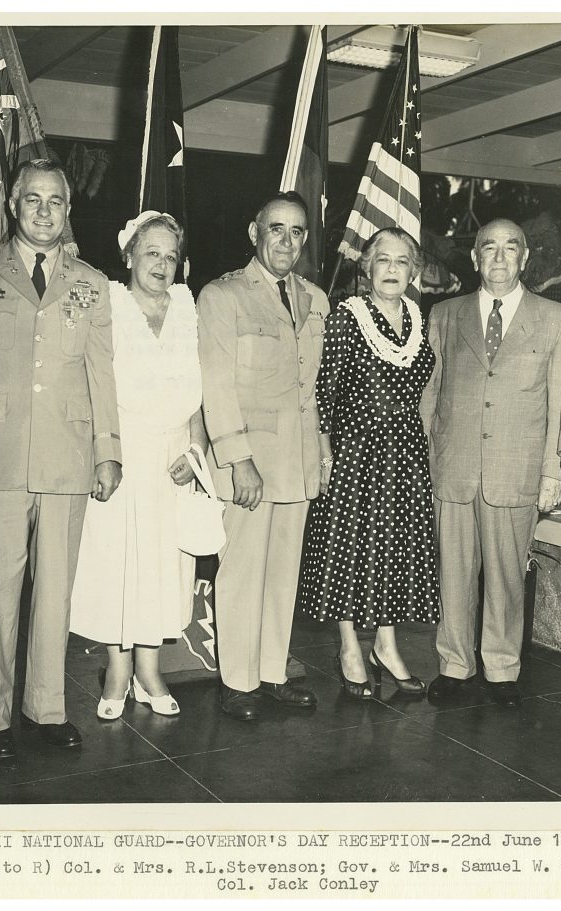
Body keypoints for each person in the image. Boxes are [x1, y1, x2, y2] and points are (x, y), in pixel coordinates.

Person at [0, 159, 122, 759]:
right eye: (33, 200)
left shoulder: (93, 283)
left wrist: (108, 452)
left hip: (68, 453)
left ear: (68, 208)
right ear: (13, 206)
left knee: (55, 590)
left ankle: (47, 709)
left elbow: (101, 372)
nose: (44, 211)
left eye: (55, 200)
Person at [420, 219, 561, 707]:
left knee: (508, 576)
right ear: (475, 259)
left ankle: (503, 670)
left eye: (511, 249)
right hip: (454, 467)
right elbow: (430, 393)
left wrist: (553, 472)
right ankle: (454, 664)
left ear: (525, 258)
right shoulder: (445, 313)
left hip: (517, 470)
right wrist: (428, 458)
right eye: (490, 249)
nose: (500, 258)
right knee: (454, 573)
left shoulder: (555, 318)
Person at [198, 191, 329, 721]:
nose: (287, 241)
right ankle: (238, 682)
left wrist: (320, 454)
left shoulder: (315, 299)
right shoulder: (223, 295)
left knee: (282, 574)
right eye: (277, 229)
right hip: (249, 460)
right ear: (255, 232)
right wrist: (238, 458)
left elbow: (311, 388)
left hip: (296, 461)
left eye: (297, 232)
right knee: (243, 572)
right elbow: (217, 384)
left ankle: (272, 672)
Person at [70, 211, 206, 719]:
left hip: (174, 457)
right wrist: (104, 452)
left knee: (164, 565)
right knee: (118, 563)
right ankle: (118, 672)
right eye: (152, 253)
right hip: (121, 453)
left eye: (171, 256)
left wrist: (195, 455)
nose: (162, 264)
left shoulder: (188, 307)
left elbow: (197, 394)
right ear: (128, 256)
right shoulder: (108, 302)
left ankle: (150, 671)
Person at [297, 227, 439, 698]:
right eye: (383, 260)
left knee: (394, 553)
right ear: (367, 267)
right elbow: (323, 391)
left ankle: (386, 646)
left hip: (406, 455)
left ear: (414, 271)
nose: (393, 269)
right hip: (356, 453)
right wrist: (323, 452)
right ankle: (348, 648)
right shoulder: (346, 317)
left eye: (402, 261)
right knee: (351, 550)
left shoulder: (420, 319)